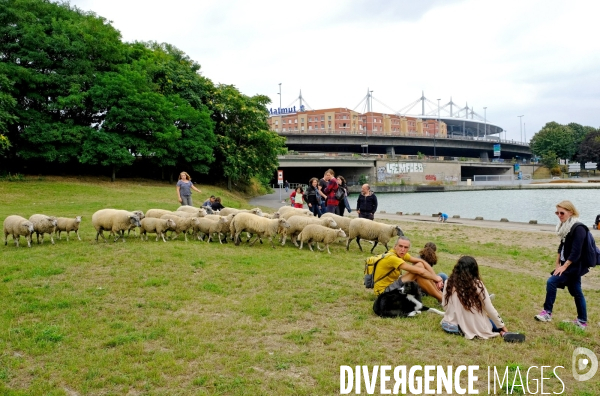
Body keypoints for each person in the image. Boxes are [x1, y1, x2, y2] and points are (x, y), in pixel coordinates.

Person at [442, 256, 525, 342]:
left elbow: (445, 305)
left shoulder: (448, 282)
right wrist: (502, 326)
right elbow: (489, 309)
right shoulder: (477, 285)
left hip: (449, 325)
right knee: (489, 322)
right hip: (467, 327)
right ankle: (503, 333)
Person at [535, 200, 589, 329]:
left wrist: (564, 267)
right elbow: (562, 245)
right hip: (566, 264)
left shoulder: (578, 228)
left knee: (551, 282)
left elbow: (576, 252)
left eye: (562, 212)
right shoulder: (565, 226)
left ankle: (547, 313)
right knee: (576, 291)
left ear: (571, 212)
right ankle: (582, 321)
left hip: (574, 266)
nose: (559, 215)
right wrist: (557, 262)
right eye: (557, 213)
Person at [373, 236, 444, 303]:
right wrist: (436, 278)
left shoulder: (400, 253)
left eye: (405, 247)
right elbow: (421, 272)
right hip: (383, 293)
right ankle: (442, 299)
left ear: (408, 248)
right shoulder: (392, 258)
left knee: (420, 265)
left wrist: (437, 278)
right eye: (400, 246)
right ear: (395, 246)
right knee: (418, 273)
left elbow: (422, 262)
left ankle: (441, 295)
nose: (403, 249)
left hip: (392, 285)